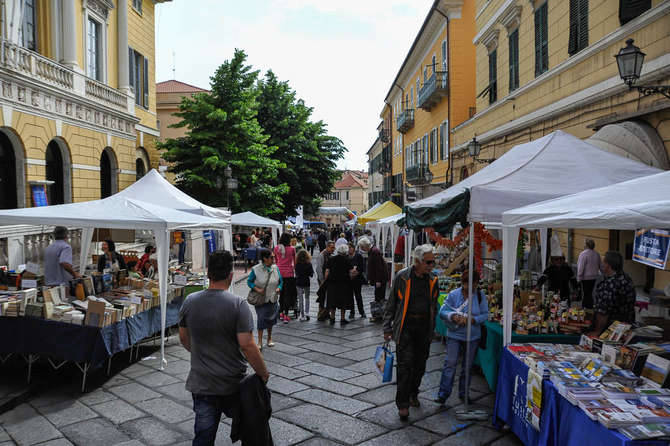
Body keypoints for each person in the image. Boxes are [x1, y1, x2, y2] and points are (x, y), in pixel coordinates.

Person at [179, 250, 270, 445]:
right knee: (250, 430)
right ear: (230, 276)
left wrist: (200, 352)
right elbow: (247, 345)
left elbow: (184, 338)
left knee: (203, 436)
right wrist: (263, 373)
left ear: (208, 273)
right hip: (233, 382)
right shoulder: (237, 304)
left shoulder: (190, 301)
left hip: (202, 382)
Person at [383, 244, 439, 420]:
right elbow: (391, 304)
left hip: (423, 328)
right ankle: (403, 404)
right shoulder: (402, 277)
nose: (431, 266)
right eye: (428, 262)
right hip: (406, 327)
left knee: (420, 365)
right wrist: (387, 327)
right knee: (405, 367)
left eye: (433, 262)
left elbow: (434, 306)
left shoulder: (433, 280)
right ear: (417, 261)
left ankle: (414, 392)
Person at [436, 269, 489, 405]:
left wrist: (473, 320)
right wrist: (453, 316)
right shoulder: (454, 295)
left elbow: (484, 314)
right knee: (450, 363)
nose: (470, 287)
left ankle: (464, 393)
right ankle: (443, 393)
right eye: (467, 284)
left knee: (468, 366)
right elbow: (442, 312)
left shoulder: (480, 296)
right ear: (462, 283)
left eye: (474, 284)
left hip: (473, 336)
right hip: (455, 334)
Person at [588, 251, 636, 336]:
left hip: (610, 331)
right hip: (626, 328)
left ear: (608, 265)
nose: (601, 264)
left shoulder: (609, 284)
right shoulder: (627, 278)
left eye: (603, 262)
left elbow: (603, 312)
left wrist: (597, 331)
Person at [247, 249, 282, 349]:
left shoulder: (276, 268)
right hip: (261, 299)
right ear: (265, 258)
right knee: (261, 319)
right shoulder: (256, 269)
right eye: (271, 257)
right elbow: (249, 282)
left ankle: (269, 338)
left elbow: (280, 281)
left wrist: (279, 287)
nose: (274, 259)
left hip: (273, 297)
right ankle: (259, 341)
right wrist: (257, 288)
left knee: (271, 319)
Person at [325, 243, 354, 325]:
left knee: (332, 301)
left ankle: (332, 318)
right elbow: (351, 272)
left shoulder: (331, 259)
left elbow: (327, 272)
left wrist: (326, 280)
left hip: (332, 283)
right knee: (343, 302)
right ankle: (342, 319)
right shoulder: (347, 260)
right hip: (344, 283)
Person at [274, 233, 297, 323]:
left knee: (281, 293)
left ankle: (280, 313)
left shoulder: (276, 248)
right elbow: (294, 263)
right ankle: (286, 314)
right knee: (288, 294)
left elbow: (276, 261)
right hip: (289, 274)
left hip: (279, 273)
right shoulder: (292, 249)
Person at [366, 238, 388, 322]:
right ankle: (380, 315)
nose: (362, 249)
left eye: (362, 247)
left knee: (379, 297)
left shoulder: (374, 252)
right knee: (379, 296)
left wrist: (378, 280)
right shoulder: (372, 251)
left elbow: (379, 267)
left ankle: (379, 316)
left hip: (380, 279)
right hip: (379, 278)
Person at [577, 239, 602, 309]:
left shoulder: (583, 254)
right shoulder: (596, 254)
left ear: (586, 245)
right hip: (594, 277)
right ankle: (589, 307)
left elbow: (580, 267)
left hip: (585, 277)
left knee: (585, 293)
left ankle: (586, 307)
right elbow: (600, 265)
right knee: (589, 293)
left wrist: (579, 277)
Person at [315, 241, 336, 321]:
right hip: (323, 280)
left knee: (328, 297)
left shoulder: (330, 255)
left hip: (328, 280)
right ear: (327, 247)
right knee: (322, 297)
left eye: (334, 247)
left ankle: (326, 313)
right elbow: (319, 268)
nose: (333, 249)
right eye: (331, 247)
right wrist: (321, 280)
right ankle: (321, 314)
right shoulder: (322, 255)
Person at [349, 240, 367, 319]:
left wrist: (356, 273)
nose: (349, 249)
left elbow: (362, 267)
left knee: (358, 296)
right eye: (348, 248)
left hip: (357, 279)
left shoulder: (358, 256)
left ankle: (362, 312)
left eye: (350, 248)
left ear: (353, 248)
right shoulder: (346, 257)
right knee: (350, 297)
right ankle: (352, 312)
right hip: (349, 280)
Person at [295, 249, 314, 321]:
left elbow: (296, 273)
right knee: (307, 297)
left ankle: (302, 315)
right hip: (306, 282)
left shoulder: (297, 264)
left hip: (299, 282)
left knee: (300, 299)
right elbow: (311, 274)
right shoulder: (309, 264)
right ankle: (307, 312)